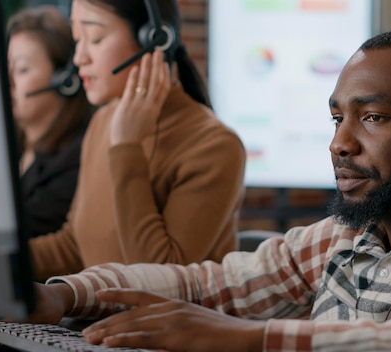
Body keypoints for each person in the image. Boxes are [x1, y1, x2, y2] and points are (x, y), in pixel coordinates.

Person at [29, 27, 391, 351]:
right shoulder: (340, 240)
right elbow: (204, 286)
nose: (340, 143)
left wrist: (254, 340)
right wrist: (64, 296)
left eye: (374, 117)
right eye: (337, 118)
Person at [27, 0, 246, 281]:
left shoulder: (215, 145)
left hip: (167, 324)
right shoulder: (103, 121)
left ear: (152, 38)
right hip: (97, 321)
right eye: (77, 40)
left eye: (95, 38)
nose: (79, 58)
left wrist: (126, 148)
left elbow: (159, 278)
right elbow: (74, 246)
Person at [7, 5, 94, 237]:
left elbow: (21, 232)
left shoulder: (77, 159)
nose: (8, 82)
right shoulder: (8, 146)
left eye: (22, 69)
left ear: (64, 80)